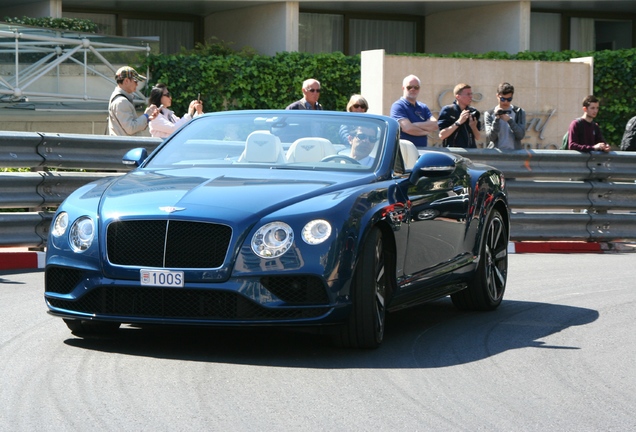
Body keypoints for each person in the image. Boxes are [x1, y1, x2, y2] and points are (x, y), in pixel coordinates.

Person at [389, 75, 438, 148]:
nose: (413, 89)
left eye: (416, 87)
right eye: (409, 87)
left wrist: (414, 125)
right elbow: (408, 129)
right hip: (405, 151)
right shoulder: (398, 106)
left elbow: (435, 125)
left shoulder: (423, 107)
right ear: (403, 88)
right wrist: (426, 131)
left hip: (422, 150)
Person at [108, 66, 158, 136]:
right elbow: (130, 128)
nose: (137, 84)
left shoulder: (119, 99)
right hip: (126, 146)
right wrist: (146, 116)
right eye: (135, 81)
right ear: (126, 81)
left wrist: (147, 118)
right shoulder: (121, 102)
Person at [484, 82, 526, 150]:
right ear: (497, 96)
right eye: (503, 99)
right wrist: (496, 120)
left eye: (509, 99)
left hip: (514, 154)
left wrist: (510, 120)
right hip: (496, 154)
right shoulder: (489, 113)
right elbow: (490, 138)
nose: (506, 102)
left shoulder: (519, 112)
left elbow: (520, 135)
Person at [438, 83, 481, 148]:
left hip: (471, 152)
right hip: (453, 152)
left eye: (471, 94)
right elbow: (442, 135)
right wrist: (459, 122)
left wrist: (473, 127)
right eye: (468, 94)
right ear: (458, 96)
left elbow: (478, 137)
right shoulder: (448, 110)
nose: (471, 96)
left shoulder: (473, 112)